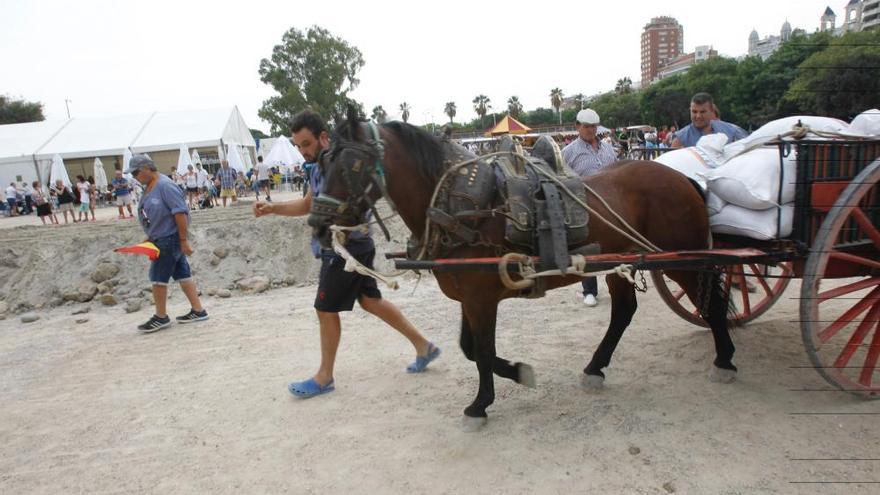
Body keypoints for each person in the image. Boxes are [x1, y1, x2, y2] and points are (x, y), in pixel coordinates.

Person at [253, 110, 440, 398]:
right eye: (298, 146)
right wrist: (274, 208)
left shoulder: (344, 164)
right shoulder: (318, 168)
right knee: (371, 301)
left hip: (344, 246)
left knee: (325, 309)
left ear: (324, 138)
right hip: (352, 245)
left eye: (306, 144)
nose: (303, 151)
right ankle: (424, 347)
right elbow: (309, 203)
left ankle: (324, 376)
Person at [126, 154, 208, 333]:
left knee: (158, 278)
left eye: (136, 172)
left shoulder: (165, 186)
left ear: (147, 168)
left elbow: (180, 213)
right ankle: (198, 310)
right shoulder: (151, 186)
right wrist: (151, 234)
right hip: (163, 237)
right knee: (182, 274)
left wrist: (183, 240)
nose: (134, 177)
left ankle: (161, 317)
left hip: (169, 239)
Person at [561, 108, 618, 307]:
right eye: (586, 126)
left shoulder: (608, 149)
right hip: (585, 205)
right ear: (577, 127)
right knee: (587, 247)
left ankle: (617, 285)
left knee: (616, 244)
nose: (590, 130)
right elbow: (560, 178)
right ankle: (589, 290)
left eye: (593, 126)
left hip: (613, 205)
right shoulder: (568, 152)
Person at [671, 93, 748, 149]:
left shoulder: (731, 130)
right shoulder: (680, 139)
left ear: (712, 111)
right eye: (694, 112)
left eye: (703, 112)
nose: (698, 116)